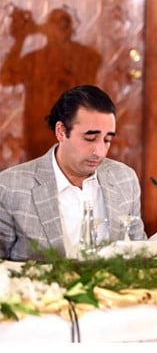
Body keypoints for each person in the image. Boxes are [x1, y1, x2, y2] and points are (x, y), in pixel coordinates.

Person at [0, 85, 146, 261]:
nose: (99, 151)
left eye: (107, 140)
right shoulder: (11, 186)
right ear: (61, 131)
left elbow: (140, 253)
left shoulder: (124, 179)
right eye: (90, 138)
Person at [0, 7, 102, 160]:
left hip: (74, 134)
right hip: (39, 135)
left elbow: (95, 61)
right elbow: (6, 78)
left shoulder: (85, 57)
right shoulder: (34, 59)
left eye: (63, 25)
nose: (58, 31)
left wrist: (38, 30)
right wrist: (21, 38)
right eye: (55, 25)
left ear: (70, 30)